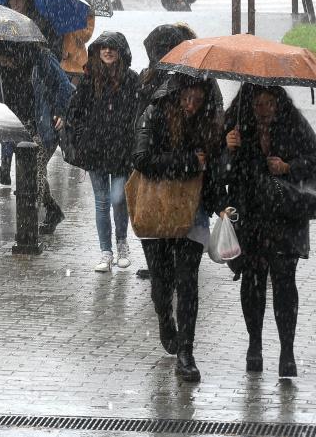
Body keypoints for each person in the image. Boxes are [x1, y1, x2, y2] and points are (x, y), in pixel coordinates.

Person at [220, 84, 316, 378]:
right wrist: (228, 148)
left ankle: (287, 350)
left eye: (270, 104)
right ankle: (255, 344)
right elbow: (218, 171)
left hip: (285, 215)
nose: (264, 110)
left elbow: (313, 160)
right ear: (249, 105)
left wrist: (288, 167)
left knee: (284, 282)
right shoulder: (236, 123)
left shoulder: (294, 125)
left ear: (279, 103)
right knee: (253, 282)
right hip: (250, 216)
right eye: (258, 104)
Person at [133, 74, 224, 382]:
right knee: (162, 284)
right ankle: (163, 315)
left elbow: (215, 169)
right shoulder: (154, 113)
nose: (191, 106)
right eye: (187, 99)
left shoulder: (209, 123)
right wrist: (187, 162)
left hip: (194, 212)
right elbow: (141, 158)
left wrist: (221, 202)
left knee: (187, 283)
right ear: (176, 96)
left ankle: (186, 353)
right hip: (157, 210)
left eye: (198, 101)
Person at [66, 32, 139, 272]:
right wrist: (81, 138)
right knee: (102, 201)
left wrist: (133, 143)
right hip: (95, 150)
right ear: (97, 51)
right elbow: (75, 111)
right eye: (103, 47)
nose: (107, 51)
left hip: (121, 151)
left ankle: (122, 242)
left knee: (118, 198)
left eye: (112, 47)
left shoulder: (131, 79)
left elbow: (137, 113)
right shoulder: (89, 79)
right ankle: (106, 251)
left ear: (120, 52)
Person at [134, 23, 197, 280]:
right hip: (155, 155)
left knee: (180, 212)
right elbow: (140, 113)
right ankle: (161, 264)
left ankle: (175, 262)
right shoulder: (148, 76)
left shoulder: (191, 78)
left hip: (179, 161)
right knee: (157, 210)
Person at [0, 43, 73, 233]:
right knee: (31, 172)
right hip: (20, 127)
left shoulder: (42, 58)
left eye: (5, 60)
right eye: (0, 61)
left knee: (34, 172)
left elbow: (65, 86)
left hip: (43, 126)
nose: (4, 64)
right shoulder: (2, 69)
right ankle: (52, 210)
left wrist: (60, 112)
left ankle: (29, 225)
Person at [60, 11, 95, 86]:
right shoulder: (63, 9)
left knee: (73, 90)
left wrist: (74, 21)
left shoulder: (89, 15)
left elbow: (85, 37)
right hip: (60, 61)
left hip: (77, 63)